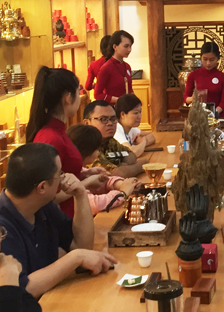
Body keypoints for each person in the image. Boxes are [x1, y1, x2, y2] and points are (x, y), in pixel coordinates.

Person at [0, 143, 118, 299]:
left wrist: (80, 194)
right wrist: (75, 258)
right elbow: (23, 287)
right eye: (60, 173)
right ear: (42, 187)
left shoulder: (43, 206)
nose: (64, 177)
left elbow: (82, 245)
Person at [26, 66, 108, 217]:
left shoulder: (58, 131)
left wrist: (85, 174)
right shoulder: (50, 137)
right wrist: (87, 182)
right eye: (78, 93)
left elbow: (64, 176)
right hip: (60, 218)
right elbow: (51, 195)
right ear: (68, 98)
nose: (80, 97)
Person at [67, 124, 142, 215]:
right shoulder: (69, 172)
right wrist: (122, 193)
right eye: (97, 148)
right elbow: (94, 204)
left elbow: (103, 180)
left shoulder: (81, 169)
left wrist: (122, 184)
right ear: (88, 151)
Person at [83, 100, 148, 177]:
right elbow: (117, 174)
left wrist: (123, 166)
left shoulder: (109, 141)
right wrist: (141, 165)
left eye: (113, 119)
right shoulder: (87, 146)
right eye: (103, 119)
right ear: (87, 123)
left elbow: (131, 155)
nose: (110, 123)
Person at [183, 42, 224, 117]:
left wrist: (213, 113)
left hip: (216, 116)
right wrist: (193, 98)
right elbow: (186, 98)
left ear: (218, 58)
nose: (208, 63)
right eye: (205, 59)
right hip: (197, 116)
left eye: (212, 59)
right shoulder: (193, 75)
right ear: (201, 57)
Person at [94, 30, 134, 104]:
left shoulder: (127, 66)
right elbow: (97, 95)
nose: (129, 50)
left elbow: (130, 89)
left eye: (130, 46)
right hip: (112, 109)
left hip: (126, 108)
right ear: (115, 47)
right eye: (126, 46)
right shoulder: (106, 68)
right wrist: (119, 100)